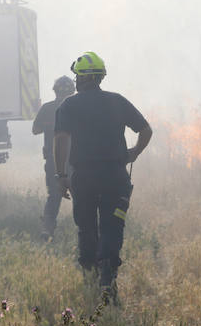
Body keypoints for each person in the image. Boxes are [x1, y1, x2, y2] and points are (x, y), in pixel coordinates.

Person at [53, 52, 152, 302]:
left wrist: (61, 175)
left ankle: (90, 276)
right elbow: (146, 130)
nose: (75, 81)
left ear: (84, 78)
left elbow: (61, 140)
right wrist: (134, 153)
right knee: (112, 226)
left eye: (77, 76)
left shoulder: (69, 105)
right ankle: (108, 278)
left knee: (86, 226)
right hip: (115, 176)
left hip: (83, 178)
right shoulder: (117, 101)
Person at [32, 75, 76, 236]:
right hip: (77, 160)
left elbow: (35, 130)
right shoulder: (78, 107)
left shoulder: (47, 108)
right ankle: (86, 229)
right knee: (80, 195)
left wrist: (49, 125)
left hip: (53, 161)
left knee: (54, 195)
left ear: (55, 91)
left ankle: (47, 228)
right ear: (72, 91)